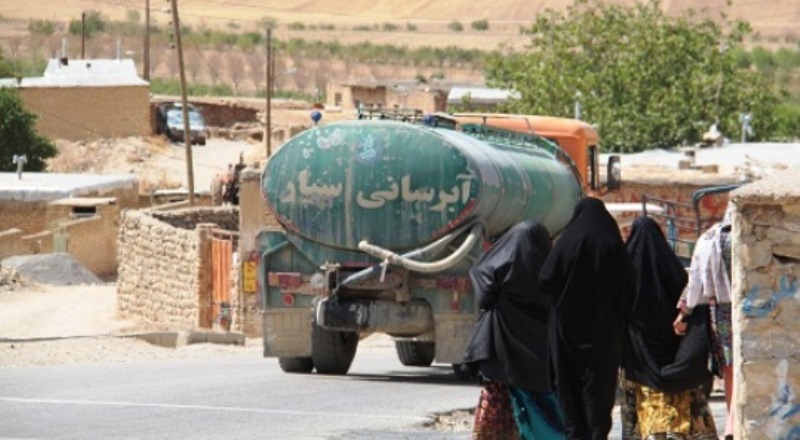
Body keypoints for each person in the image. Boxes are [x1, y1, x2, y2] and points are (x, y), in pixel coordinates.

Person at [539, 197, 635, 440]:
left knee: (569, 384)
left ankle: (575, 432)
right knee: (600, 386)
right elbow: (630, 286)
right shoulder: (612, 244)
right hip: (606, 332)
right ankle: (597, 433)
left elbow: (546, 278)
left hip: (567, 331)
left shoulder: (568, 242)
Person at [461, 220, 566, 439]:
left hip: (501, 360)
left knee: (496, 418)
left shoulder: (501, 271)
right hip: (538, 366)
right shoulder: (552, 276)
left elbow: (482, 291)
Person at [621, 216, 717, 439]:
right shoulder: (673, 271)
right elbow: (692, 307)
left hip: (640, 361)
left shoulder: (625, 275)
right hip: (676, 355)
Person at [673, 206, 735, 440]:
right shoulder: (749, 237)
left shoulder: (709, 238)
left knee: (729, 368)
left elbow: (695, 280)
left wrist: (684, 312)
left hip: (719, 312)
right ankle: (733, 423)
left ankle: (731, 421)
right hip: (751, 310)